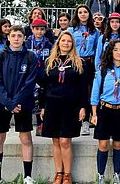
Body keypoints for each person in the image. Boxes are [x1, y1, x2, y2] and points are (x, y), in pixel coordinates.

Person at [0, 25, 38, 183]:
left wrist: (16, 102)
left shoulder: (31, 57)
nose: (16, 38)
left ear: (24, 38)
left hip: (23, 103)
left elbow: (30, 83)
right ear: (8, 38)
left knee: (25, 139)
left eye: (19, 35)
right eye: (14, 35)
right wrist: (8, 102)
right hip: (2, 103)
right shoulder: (0, 57)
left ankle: (27, 177)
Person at [40, 31, 88, 184]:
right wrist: (42, 106)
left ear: (72, 44)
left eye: (69, 41)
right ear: (58, 43)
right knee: (55, 140)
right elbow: (44, 86)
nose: (66, 43)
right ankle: (58, 173)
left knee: (65, 140)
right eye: (63, 41)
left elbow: (83, 88)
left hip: (71, 106)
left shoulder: (79, 63)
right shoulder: (50, 62)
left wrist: (83, 107)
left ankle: (67, 174)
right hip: (52, 104)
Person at [91, 39, 120, 184]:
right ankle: (101, 175)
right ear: (110, 52)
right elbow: (95, 92)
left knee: (118, 144)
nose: (119, 52)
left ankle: (117, 174)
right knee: (103, 144)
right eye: (116, 49)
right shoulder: (103, 70)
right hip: (105, 109)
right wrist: (94, 113)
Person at [68, 5, 100, 135]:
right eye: (80, 12)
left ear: (89, 14)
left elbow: (98, 49)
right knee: (72, 90)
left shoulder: (95, 31)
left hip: (88, 62)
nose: (83, 14)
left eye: (85, 12)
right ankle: (73, 120)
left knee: (86, 92)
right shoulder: (71, 30)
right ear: (77, 14)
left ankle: (86, 121)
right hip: (75, 62)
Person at [24, 19, 53, 137]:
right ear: (32, 29)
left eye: (42, 29)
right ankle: (28, 124)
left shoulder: (49, 44)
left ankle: (41, 124)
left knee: (42, 100)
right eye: (37, 29)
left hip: (43, 75)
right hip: (30, 75)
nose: (39, 32)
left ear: (45, 30)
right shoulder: (26, 43)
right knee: (30, 99)